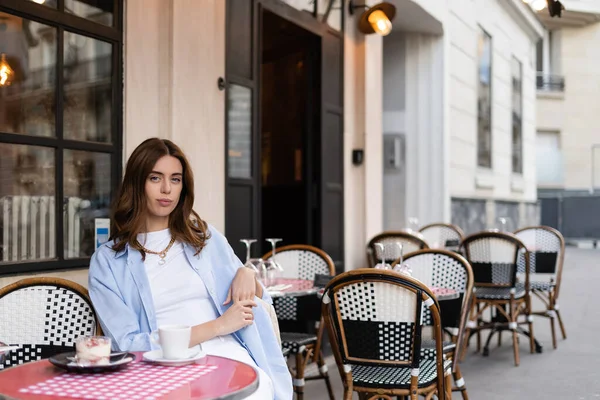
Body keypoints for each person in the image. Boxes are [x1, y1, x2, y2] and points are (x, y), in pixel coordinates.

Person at [88, 138, 292, 400]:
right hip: (162, 364)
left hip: (227, 353)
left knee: (251, 393)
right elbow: (127, 344)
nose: (166, 189)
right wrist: (217, 326)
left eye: (175, 179)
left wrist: (247, 273)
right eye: (155, 178)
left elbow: (259, 300)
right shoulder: (108, 262)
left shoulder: (205, 239)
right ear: (137, 183)